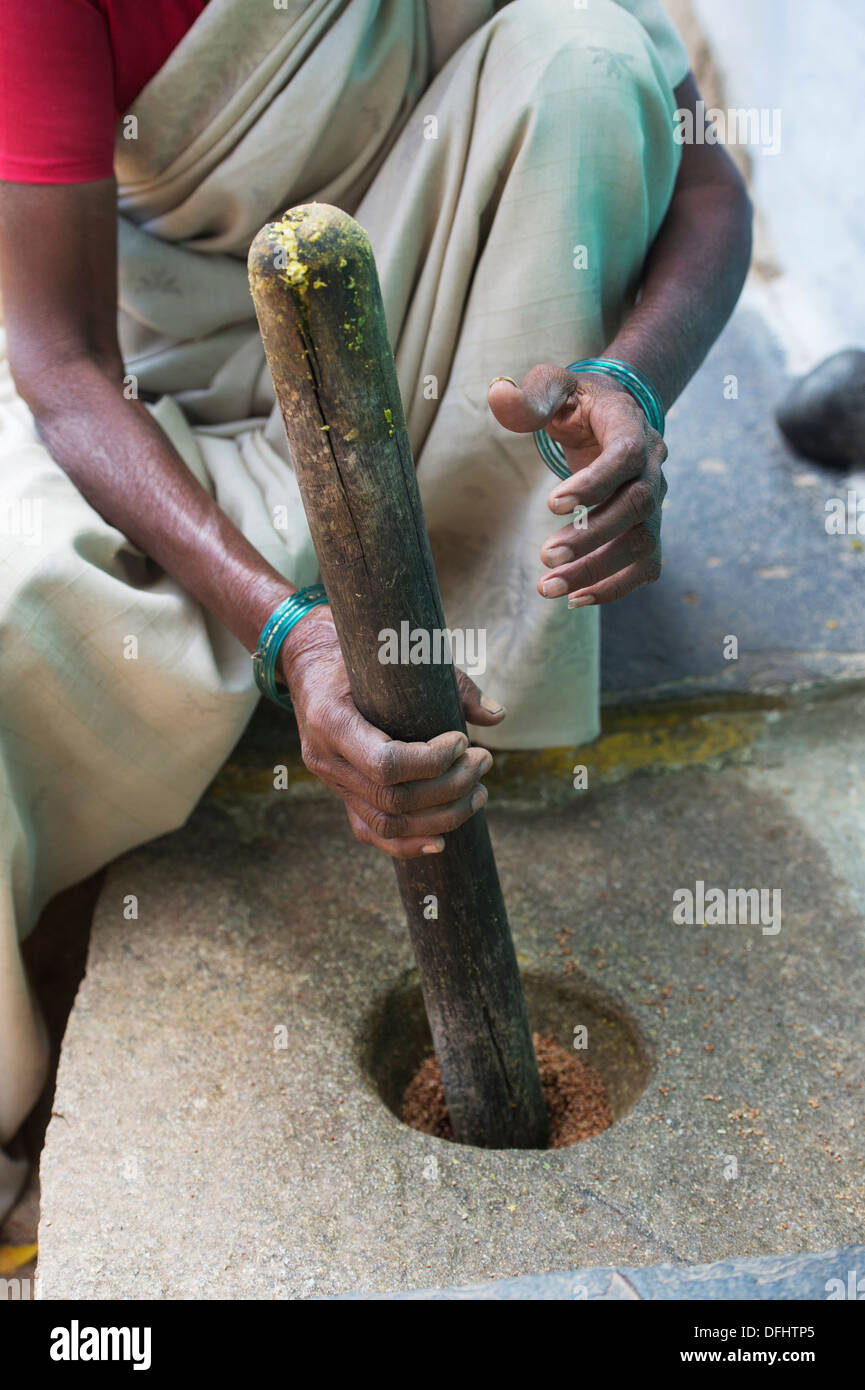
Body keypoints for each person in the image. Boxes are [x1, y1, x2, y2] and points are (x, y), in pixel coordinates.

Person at [0, 0, 752, 1215]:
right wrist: (285, 629)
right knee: (14, 618)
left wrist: (631, 385)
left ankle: (481, 601)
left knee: (591, 53)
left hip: (445, 352)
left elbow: (711, 188)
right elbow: (63, 365)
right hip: (180, 396)